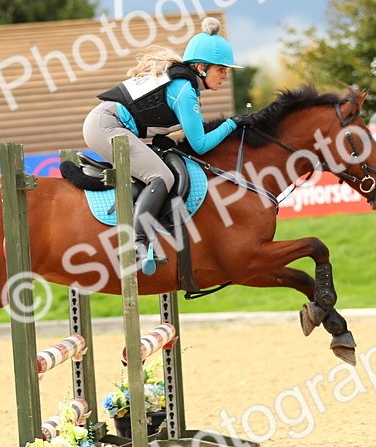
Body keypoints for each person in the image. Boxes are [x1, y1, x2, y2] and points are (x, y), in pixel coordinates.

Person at [84, 16, 251, 273]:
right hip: (106, 125)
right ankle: (137, 243)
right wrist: (233, 123)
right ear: (201, 67)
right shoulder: (184, 90)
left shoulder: (183, 85)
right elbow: (200, 145)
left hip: (107, 123)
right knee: (161, 176)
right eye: (221, 69)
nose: (225, 76)